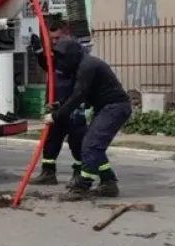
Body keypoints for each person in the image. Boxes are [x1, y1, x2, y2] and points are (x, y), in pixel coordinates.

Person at [43, 37, 132, 200]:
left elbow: (78, 95)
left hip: (115, 107)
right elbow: (76, 95)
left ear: (72, 55)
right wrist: (59, 106)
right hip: (105, 107)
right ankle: (108, 183)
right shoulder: (80, 65)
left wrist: (56, 116)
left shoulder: (87, 66)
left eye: (63, 57)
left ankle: (83, 185)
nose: (62, 62)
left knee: (90, 146)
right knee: (94, 146)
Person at [27, 20, 87, 187]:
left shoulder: (76, 54)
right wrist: (39, 51)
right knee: (51, 141)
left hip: (71, 108)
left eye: (57, 38)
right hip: (55, 107)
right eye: (51, 38)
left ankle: (79, 174)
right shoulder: (59, 55)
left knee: (77, 142)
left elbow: (80, 85)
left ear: (66, 33)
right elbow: (49, 65)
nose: (54, 42)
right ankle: (48, 173)